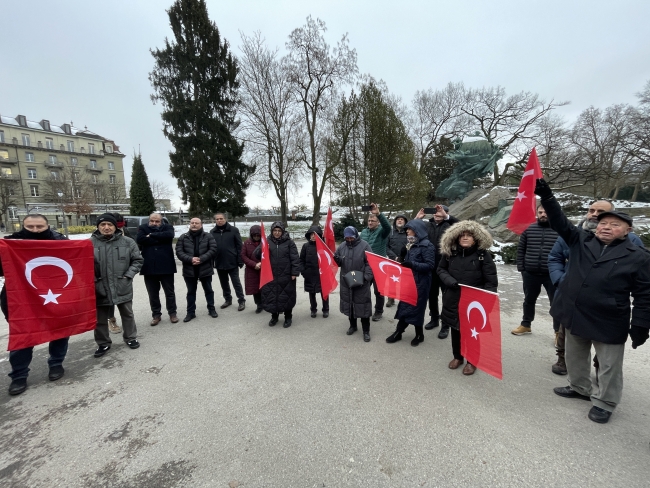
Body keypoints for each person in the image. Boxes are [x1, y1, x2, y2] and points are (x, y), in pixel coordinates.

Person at [536, 179, 650, 423]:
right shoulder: (581, 240)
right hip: (574, 311)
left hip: (608, 318)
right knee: (575, 355)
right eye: (603, 223)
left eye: (614, 225)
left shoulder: (638, 256)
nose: (606, 227)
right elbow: (559, 221)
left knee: (609, 365)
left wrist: (641, 324)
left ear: (628, 230)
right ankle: (579, 388)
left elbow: (645, 294)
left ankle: (605, 402)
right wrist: (546, 196)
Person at [547, 200, 644, 375]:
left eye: (600, 211)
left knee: (604, 349)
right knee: (569, 339)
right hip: (571, 299)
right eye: (592, 210)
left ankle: (602, 378)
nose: (594, 214)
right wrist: (561, 280)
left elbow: (641, 280)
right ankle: (565, 364)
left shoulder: (633, 243)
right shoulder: (574, 234)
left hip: (604, 308)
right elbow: (554, 257)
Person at [1, 215, 69, 395]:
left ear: (48, 226)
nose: (35, 230)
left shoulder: (61, 242)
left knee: (60, 332)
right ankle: (19, 375)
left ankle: (56, 364)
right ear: (23, 226)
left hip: (56, 297)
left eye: (39, 226)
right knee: (24, 336)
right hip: (21, 300)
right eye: (30, 227)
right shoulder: (10, 243)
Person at [437, 221, 498, 375]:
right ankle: (458, 356)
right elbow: (440, 269)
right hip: (453, 297)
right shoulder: (450, 253)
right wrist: (450, 281)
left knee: (472, 331)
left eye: (469, 235)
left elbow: (491, 280)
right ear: (456, 238)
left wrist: (487, 302)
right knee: (455, 329)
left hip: (474, 303)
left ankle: (472, 361)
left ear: (475, 238)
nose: (465, 238)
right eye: (462, 235)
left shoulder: (483, 255)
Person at [92, 213, 144, 358]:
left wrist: (128, 275)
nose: (106, 227)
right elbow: (82, 265)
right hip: (99, 287)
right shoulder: (89, 243)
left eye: (110, 225)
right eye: (103, 225)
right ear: (98, 227)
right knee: (100, 318)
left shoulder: (127, 242)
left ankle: (130, 338)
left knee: (127, 314)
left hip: (122, 284)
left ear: (115, 227)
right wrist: (93, 279)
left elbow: (138, 260)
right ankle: (103, 343)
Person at [385, 219, 436, 346]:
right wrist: (403, 257)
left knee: (417, 309)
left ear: (417, 230)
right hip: (408, 281)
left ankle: (419, 335)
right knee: (404, 306)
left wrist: (412, 264)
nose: (407, 231)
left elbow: (430, 266)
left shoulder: (427, 245)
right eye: (406, 229)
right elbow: (406, 262)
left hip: (421, 283)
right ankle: (399, 332)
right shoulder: (410, 244)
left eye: (409, 229)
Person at [511, 204, 558, 336]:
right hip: (530, 273)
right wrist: (522, 268)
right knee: (529, 300)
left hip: (552, 275)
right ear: (537, 213)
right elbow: (521, 250)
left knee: (556, 303)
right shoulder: (529, 229)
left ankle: (558, 332)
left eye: (546, 211)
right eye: (541, 212)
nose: (543, 214)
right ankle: (526, 325)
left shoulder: (560, 229)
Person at [416, 204, 459, 338]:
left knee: (447, 297)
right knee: (431, 296)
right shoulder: (427, 225)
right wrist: (418, 218)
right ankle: (434, 319)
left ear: (446, 213)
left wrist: (446, 217)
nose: (437, 213)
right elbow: (412, 230)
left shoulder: (451, 225)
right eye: (435, 211)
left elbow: (461, 225)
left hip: (446, 267)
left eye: (440, 211)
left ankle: (445, 325)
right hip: (430, 266)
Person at [136, 212, 178, 326]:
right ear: (149, 220)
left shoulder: (168, 227)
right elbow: (140, 239)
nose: (154, 223)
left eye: (157, 221)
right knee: (153, 294)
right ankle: (156, 315)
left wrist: (151, 235)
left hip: (166, 266)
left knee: (169, 292)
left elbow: (169, 235)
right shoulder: (142, 227)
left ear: (161, 221)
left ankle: (172, 313)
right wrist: (159, 237)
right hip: (149, 267)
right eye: (152, 221)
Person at [334, 227, 374, 342]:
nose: (349, 239)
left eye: (351, 237)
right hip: (347, 281)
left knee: (363, 306)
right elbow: (339, 262)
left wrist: (366, 277)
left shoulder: (365, 245)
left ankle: (366, 331)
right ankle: (353, 326)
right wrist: (336, 259)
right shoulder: (342, 246)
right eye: (347, 237)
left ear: (356, 235)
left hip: (361, 281)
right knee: (350, 304)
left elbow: (370, 262)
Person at [256, 222, 300, 327]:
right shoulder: (267, 241)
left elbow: (295, 258)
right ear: (272, 231)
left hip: (286, 275)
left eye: (279, 231)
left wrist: (294, 272)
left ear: (282, 231)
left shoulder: (289, 243)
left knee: (286, 296)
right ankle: (274, 316)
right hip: (270, 275)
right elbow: (257, 254)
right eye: (275, 231)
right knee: (272, 296)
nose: (277, 233)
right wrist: (261, 247)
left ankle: (288, 317)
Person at [175, 217, 218, 322]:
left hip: (205, 268)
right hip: (189, 270)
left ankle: (211, 309)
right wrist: (190, 259)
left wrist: (201, 259)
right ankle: (190, 313)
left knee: (208, 290)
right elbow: (179, 252)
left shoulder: (208, 236)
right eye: (192, 223)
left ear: (201, 225)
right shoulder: (183, 237)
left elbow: (213, 249)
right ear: (190, 224)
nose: (194, 224)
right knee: (191, 292)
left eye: (196, 223)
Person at [359, 203, 391, 321]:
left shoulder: (383, 232)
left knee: (379, 291)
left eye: (373, 220)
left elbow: (388, 227)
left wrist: (378, 213)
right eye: (369, 220)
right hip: (365, 266)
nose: (370, 222)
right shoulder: (363, 232)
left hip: (379, 266)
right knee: (364, 290)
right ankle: (365, 310)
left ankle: (378, 311)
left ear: (378, 222)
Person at [210, 213, 245, 311]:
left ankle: (241, 300)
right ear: (215, 221)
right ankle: (228, 299)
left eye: (221, 219)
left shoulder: (233, 230)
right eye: (217, 219)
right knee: (224, 283)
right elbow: (211, 248)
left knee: (236, 282)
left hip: (232, 262)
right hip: (219, 262)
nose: (219, 220)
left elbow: (239, 247)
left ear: (225, 219)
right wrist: (212, 262)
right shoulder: (212, 232)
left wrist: (240, 260)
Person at [107, 212, 133, 334]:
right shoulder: (98, 236)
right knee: (108, 301)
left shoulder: (125, 233)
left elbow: (134, 253)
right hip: (106, 275)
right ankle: (111, 320)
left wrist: (129, 273)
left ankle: (129, 332)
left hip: (122, 274)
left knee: (124, 301)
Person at [300, 226, 329, 318]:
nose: (313, 236)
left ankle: (325, 309)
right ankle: (313, 309)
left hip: (321, 274)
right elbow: (301, 260)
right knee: (311, 294)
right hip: (309, 274)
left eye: (315, 234)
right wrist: (303, 271)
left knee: (324, 293)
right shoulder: (305, 246)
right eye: (312, 234)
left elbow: (329, 259)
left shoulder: (324, 246)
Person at [385, 213, 409, 308]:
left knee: (405, 282)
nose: (399, 221)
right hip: (392, 261)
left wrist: (403, 257)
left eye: (402, 219)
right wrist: (394, 257)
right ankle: (391, 299)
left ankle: (404, 300)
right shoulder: (390, 233)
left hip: (405, 261)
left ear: (405, 222)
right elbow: (386, 247)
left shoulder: (408, 232)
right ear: (395, 222)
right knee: (392, 281)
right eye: (398, 219)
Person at [241, 225, 263, 314]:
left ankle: (266, 303)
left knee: (265, 287)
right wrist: (254, 264)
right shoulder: (246, 243)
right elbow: (243, 256)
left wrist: (262, 263)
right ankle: (259, 304)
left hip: (263, 268)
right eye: (255, 235)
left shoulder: (265, 242)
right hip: (252, 269)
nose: (256, 237)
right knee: (255, 289)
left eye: (258, 235)